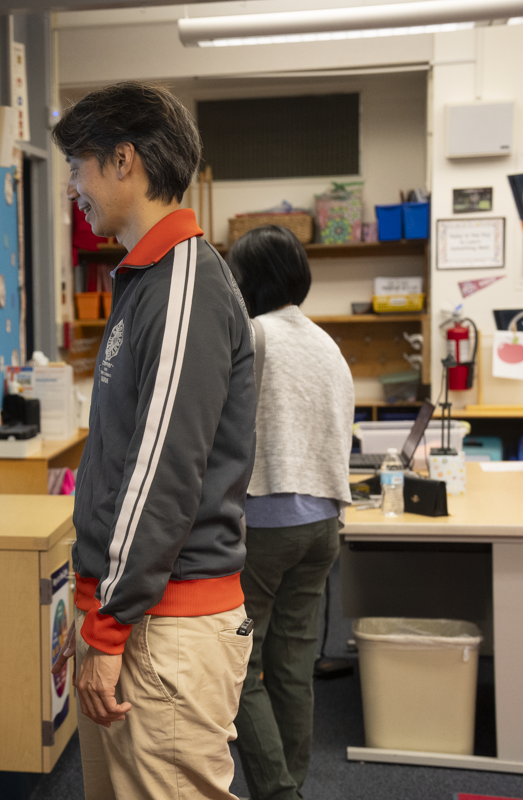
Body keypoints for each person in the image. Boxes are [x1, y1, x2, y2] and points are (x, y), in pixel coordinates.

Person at [50, 81, 256, 800]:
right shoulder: (145, 279)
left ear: (123, 160)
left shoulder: (184, 284)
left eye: (77, 166)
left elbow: (163, 470)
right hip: (134, 612)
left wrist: (109, 627)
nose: (72, 188)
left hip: (163, 622)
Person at [225, 225, 354, 800]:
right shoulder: (327, 344)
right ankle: (292, 785)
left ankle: (279, 794)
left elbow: (223, 426)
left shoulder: (255, 336)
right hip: (323, 527)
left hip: (266, 526)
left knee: (237, 664)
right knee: (293, 665)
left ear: (247, 280)